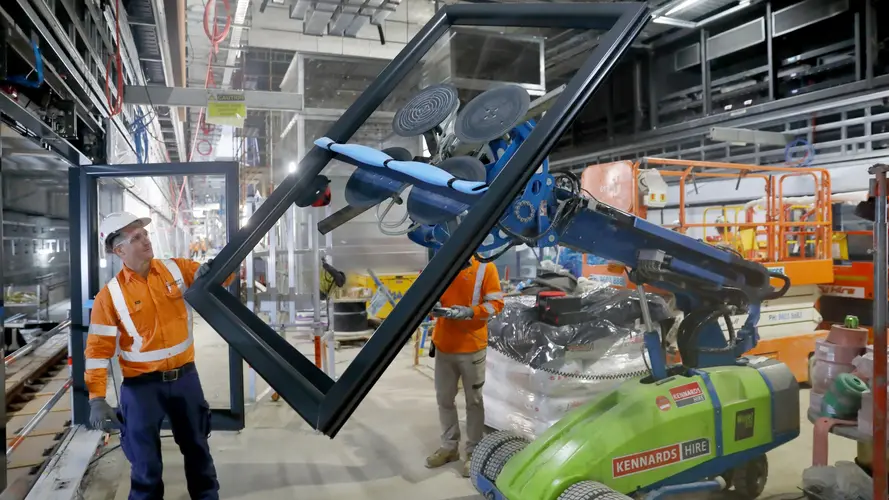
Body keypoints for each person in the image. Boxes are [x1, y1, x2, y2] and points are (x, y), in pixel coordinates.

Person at [86, 212, 232, 500]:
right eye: (136, 238)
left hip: (185, 378)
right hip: (141, 388)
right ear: (119, 250)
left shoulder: (175, 269)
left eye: (145, 235)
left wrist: (212, 272)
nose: (145, 241)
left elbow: (223, 277)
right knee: (145, 464)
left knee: (198, 450)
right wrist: (97, 397)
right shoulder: (110, 296)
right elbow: (97, 350)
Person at [426, 256, 504, 477]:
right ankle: (449, 448)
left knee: (474, 401)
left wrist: (471, 312)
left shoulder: (485, 267)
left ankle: (473, 452)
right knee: (444, 399)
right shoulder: (442, 263)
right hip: (444, 345)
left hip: (472, 345)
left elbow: (496, 304)